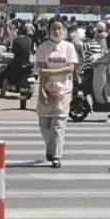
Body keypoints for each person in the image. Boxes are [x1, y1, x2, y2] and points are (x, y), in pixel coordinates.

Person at [36, 19, 78, 168]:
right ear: (49, 30)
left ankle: (56, 157)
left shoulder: (69, 47)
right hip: (47, 87)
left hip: (64, 89)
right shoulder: (42, 48)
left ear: (64, 30)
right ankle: (50, 148)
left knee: (58, 124)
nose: (57, 31)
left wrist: (51, 71)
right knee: (45, 125)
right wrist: (41, 90)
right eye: (54, 29)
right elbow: (42, 71)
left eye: (60, 28)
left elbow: (70, 68)